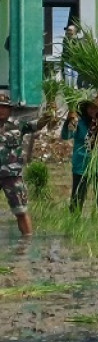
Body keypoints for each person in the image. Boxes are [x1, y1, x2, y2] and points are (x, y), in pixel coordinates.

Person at [63, 99, 98, 211]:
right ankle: (74, 223)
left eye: (96, 108)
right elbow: (66, 136)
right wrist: (68, 121)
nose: (93, 111)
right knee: (77, 199)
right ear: (85, 109)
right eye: (90, 108)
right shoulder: (78, 123)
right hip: (81, 167)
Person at [0, 94, 36, 237]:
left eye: (4, 107)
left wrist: (49, 116)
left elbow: (37, 125)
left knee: (21, 211)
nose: (1, 110)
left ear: (10, 110)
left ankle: (27, 244)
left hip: (12, 176)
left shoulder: (18, 125)